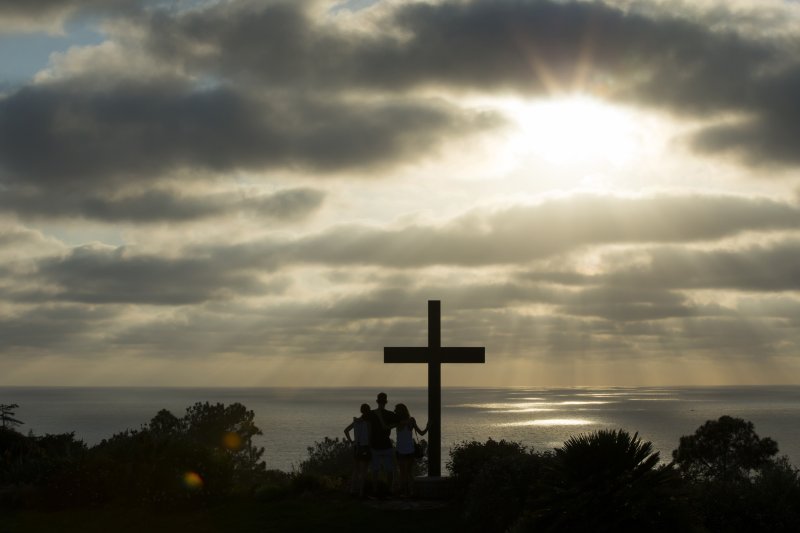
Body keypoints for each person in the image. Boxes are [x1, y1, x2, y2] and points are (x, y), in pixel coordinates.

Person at [392, 403, 428, 497]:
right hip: (410, 450)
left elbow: (392, 425)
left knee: (402, 473)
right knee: (409, 473)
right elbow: (421, 433)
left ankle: (403, 491)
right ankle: (411, 491)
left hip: (400, 450)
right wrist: (428, 427)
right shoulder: (411, 420)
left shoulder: (397, 422)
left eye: (396, 410)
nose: (395, 411)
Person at [368, 392, 400, 496]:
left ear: (377, 401)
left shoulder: (371, 414)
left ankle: (375, 491)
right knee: (389, 469)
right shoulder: (390, 414)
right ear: (386, 402)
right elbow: (401, 420)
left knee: (375, 470)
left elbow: (366, 428)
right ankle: (389, 490)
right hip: (386, 445)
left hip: (375, 445)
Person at [344, 403, 371, 497]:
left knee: (355, 470)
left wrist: (351, 441)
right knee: (364, 471)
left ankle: (352, 490)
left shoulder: (356, 421)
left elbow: (346, 430)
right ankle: (361, 492)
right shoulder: (368, 422)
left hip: (356, 447)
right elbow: (370, 435)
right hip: (365, 447)